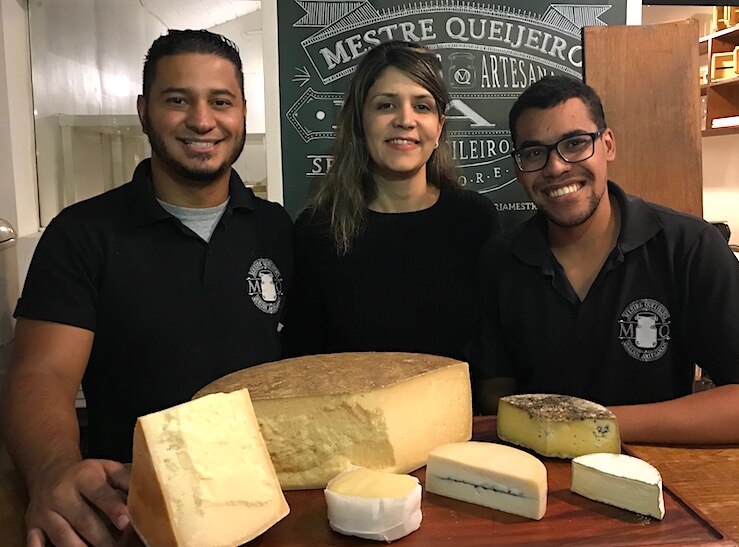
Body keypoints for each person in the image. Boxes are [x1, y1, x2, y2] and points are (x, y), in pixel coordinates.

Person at [0, 30, 292, 546]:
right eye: (177, 100)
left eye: (220, 101)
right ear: (143, 110)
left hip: (267, 506)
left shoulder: (277, 229)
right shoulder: (83, 234)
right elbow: (40, 373)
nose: (202, 120)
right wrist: (51, 472)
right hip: (132, 516)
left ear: (243, 111)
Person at [471, 75, 739, 445]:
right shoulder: (499, 260)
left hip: (658, 477)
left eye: (575, 144)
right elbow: (496, 388)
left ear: (607, 145)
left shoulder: (687, 245)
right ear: (518, 168)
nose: (556, 167)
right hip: (541, 482)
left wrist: (585, 426)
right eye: (534, 153)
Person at [281, 41, 499, 361]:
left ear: (439, 126)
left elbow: (494, 355)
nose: (405, 120)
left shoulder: (475, 220)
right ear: (359, 121)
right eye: (386, 105)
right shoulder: (317, 231)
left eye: (422, 106)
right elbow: (303, 360)